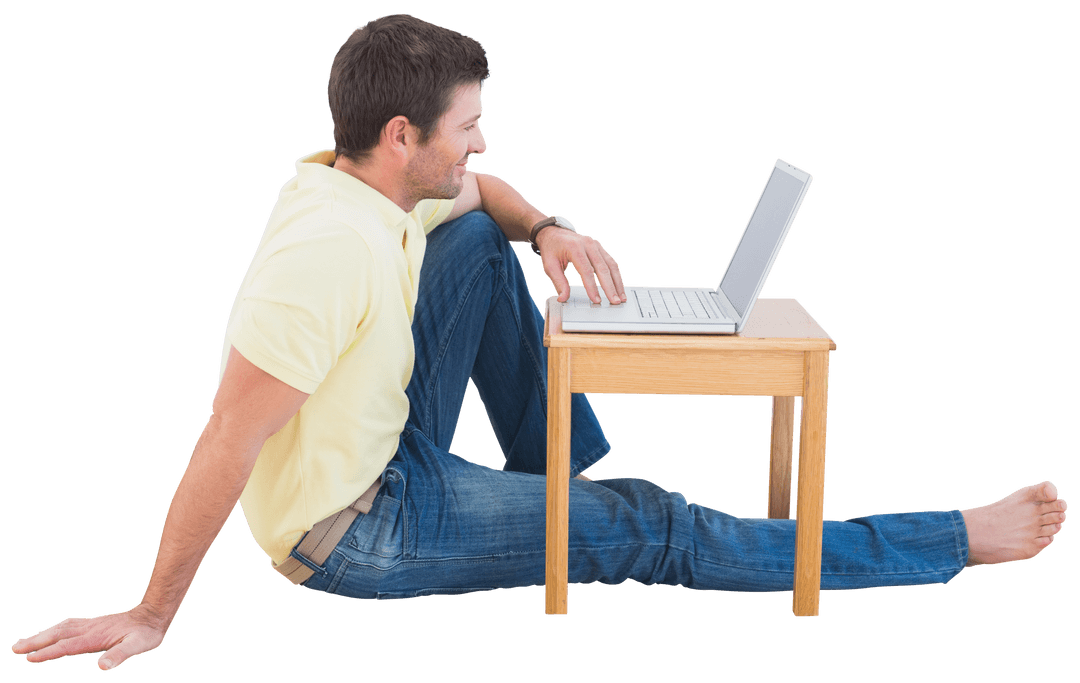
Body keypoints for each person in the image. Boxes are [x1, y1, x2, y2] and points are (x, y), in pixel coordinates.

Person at [12, 13, 1066, 672]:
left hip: (381, 443)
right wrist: (152, 611)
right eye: (466, 125)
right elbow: (225, 437)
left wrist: (549, 228)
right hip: (359, 528)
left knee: (480, 239)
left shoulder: (366, 182)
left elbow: (486, 197)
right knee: (654, 520)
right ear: (401, 135)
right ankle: (949, 539)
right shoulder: (323, 253)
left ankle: (558, 487)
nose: (480, 140)